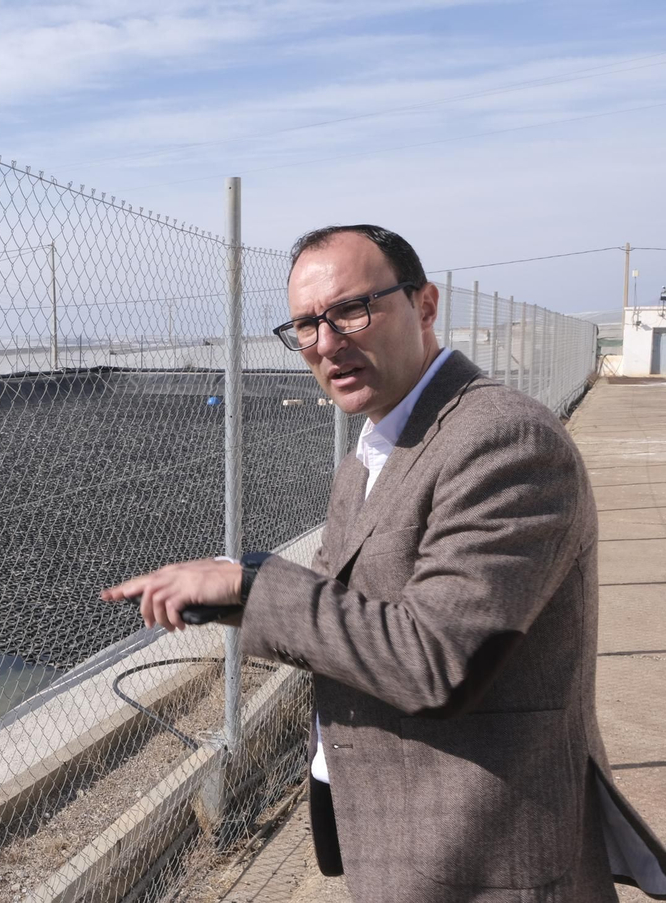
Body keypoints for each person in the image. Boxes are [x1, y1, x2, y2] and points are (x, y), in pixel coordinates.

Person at [101, 225, 666, 902]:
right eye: (305, 325)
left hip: (490, 860)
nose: (326, 342)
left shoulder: (504, 440)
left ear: (424, 305)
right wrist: (226, 597)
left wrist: (250, 586)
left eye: (351, 311)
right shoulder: (370, 454)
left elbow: (435, 659)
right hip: (406, 842)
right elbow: (348, 611)